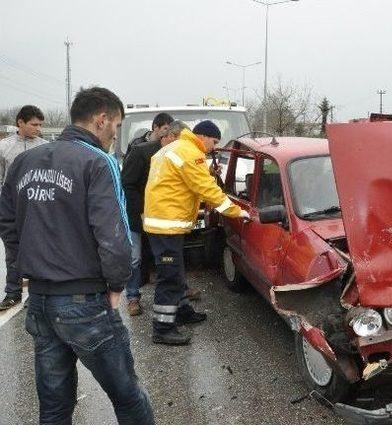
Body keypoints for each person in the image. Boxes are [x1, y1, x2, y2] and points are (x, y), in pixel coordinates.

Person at [0, 87, 154, 422]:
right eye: (114, 127)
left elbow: (7, 222)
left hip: (40, 301)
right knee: (128, 396)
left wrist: (22, 264)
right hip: (84, 302)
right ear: (101, 120)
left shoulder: (24, 162)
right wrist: (117, 286)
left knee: (54, 406)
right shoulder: (99, 162)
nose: (114, 136)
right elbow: (114, 233)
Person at [144, 120, 249, 345]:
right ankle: (162, 328)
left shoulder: (174, 148)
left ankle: (181, 310)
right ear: (202, 136)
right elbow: (206, 189)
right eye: (214, 141)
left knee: (176, 270)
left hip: (164, 222)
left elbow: (184, 181)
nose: (214, 146)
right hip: (166, 225)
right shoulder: (190, 153)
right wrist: (236, 211)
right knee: (170, 277)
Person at [121, 120, 189, 316]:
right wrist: (141, 212)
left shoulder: (175, 155)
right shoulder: (141, 152)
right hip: (138, 215)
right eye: (177, 140)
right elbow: (128, 184)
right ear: (166, 136)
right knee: (135, 258)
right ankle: (133, 297)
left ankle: (180, 293)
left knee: (168, 259)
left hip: (162, 218)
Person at [0, 105, 48, 310]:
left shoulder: (45, 147)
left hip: (36, 206)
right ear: (20, 122)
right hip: (10, 205)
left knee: (39, 249)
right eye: (34, 124)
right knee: (13, 250)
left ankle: (36, 294)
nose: (38, 128)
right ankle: (13, 293)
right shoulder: (4, 147)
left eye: (40, 125)